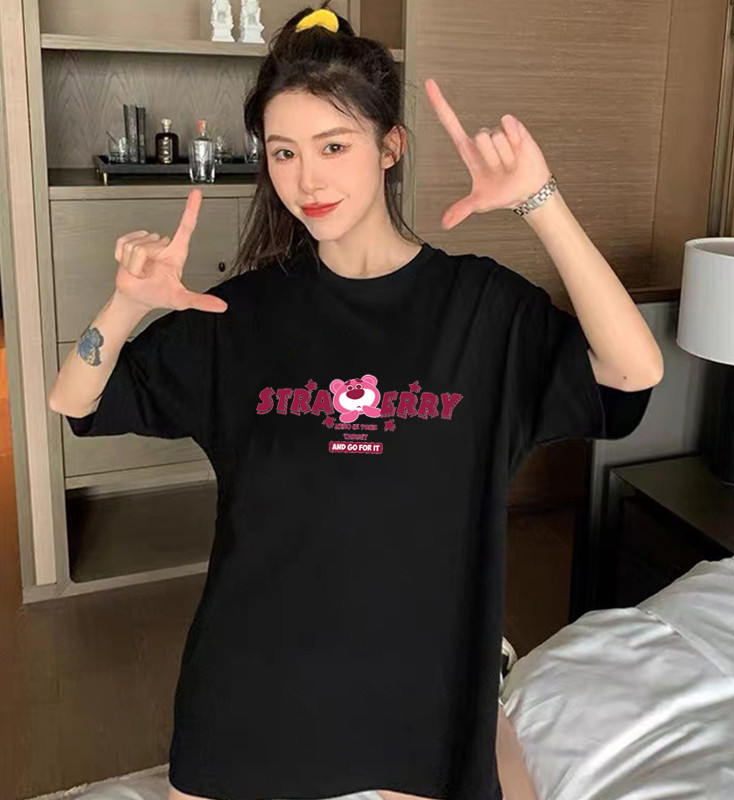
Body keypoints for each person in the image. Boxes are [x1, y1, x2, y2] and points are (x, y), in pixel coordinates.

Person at [48, 3, 662, 800]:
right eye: (284, 152)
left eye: (334, 146)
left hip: (420, 668)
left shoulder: (478, 308)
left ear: (389, 147)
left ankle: (486, 679)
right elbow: (77, 401)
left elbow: (631, 374)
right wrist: (126, 305)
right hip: (255, 663)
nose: (308, 179)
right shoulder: (243, 314)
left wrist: (538, 200)